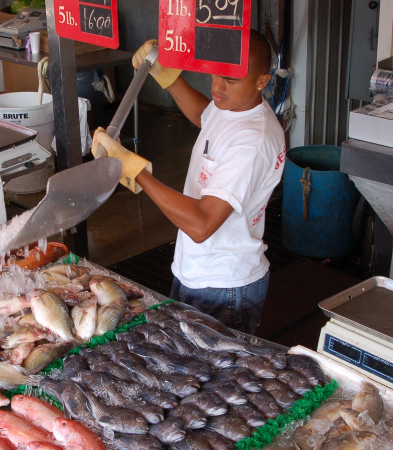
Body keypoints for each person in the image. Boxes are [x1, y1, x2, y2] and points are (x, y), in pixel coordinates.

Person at [91, 30, 286, 334]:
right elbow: (204, 116)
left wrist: (132, 168)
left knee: (214, 378)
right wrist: (167, 77)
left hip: (224, 288)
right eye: (215, 75)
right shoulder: (232, 106)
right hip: (196, 272)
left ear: (262, 80)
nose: (217, 88)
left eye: (230, 81)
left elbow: (202, 224)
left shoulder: (252, 141)